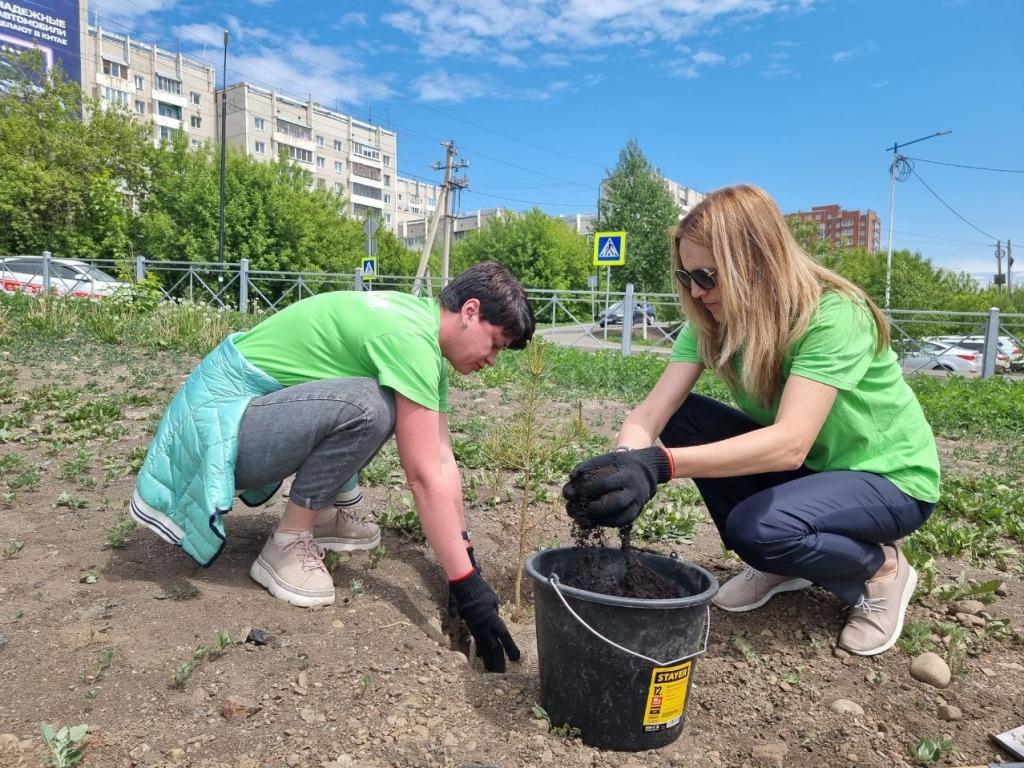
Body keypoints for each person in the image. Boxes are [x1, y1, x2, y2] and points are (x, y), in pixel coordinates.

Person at [563, 184, 939, 657]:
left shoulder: (832, 314)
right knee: (685, 418)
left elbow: (789, 444)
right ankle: (783, 563)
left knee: (759, 529)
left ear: (755, 262)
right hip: (817, 476)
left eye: (707, 276)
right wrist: (624, 465)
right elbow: (653, 411)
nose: (697, 292)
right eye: (686, 276)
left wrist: (658, 466)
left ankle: (880, 568)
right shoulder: (711, 324)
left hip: (890, 480)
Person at [130, 261, 533, 672]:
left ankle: (323, 515)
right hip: (211, 431)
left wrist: (464, 558)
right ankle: (287, 543)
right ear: (469, 311)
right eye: (496, 343)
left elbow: (443, 458)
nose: (493, 360)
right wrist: (466, 586)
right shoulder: (409, 339)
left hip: (240, 420)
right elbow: (423, 476)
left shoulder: (421, 333)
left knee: (376, 401)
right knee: (371, 406)